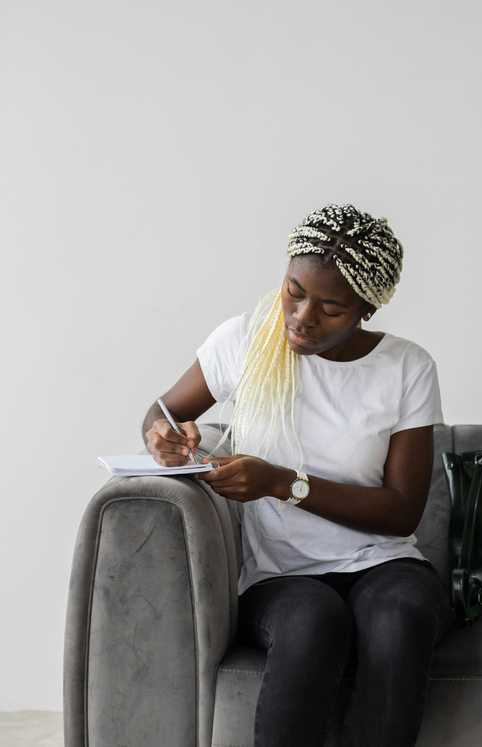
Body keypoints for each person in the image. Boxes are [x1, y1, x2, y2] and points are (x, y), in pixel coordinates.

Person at [141, 203, 452, 747]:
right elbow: (163, 413)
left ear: (365, 309)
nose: (303, 316)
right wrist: (163, 437)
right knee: (313, 624)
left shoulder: (407, 367)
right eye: (294, 291)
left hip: (383, 562)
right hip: (281, 575)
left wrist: (282, 483)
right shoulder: (243, 341)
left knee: (398, 617)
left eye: (331, 306)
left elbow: (401, 510)